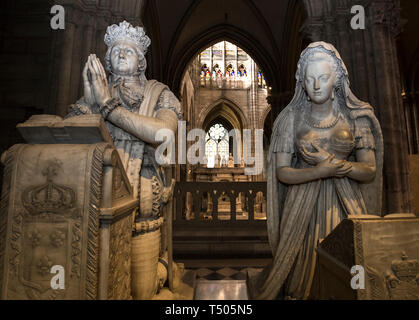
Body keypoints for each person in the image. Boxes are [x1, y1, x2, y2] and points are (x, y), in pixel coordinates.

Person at [248, 42, 383, 300]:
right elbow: (282, 173)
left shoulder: (357, 118)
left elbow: (369, 170)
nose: (317, 85)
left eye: (323, 78)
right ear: (302, 83)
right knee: (302, 279)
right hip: (302, 207)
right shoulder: (290, 119)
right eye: (310, 79)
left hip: (346, 204)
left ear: (337, 81)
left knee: (349, 266)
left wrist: (335, 167)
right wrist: (319, 171)